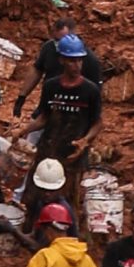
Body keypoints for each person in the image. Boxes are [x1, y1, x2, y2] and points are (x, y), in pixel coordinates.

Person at [34, 38, 102, 175]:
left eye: (79, 60)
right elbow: (44, 117)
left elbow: (97, 123)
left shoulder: (91, 90)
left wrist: (85, 140)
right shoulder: (50, 86)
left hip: (74, 152)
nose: (77, 65)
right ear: (61, 60)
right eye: (72, 61)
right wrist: (23, 130)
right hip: (49, 148)